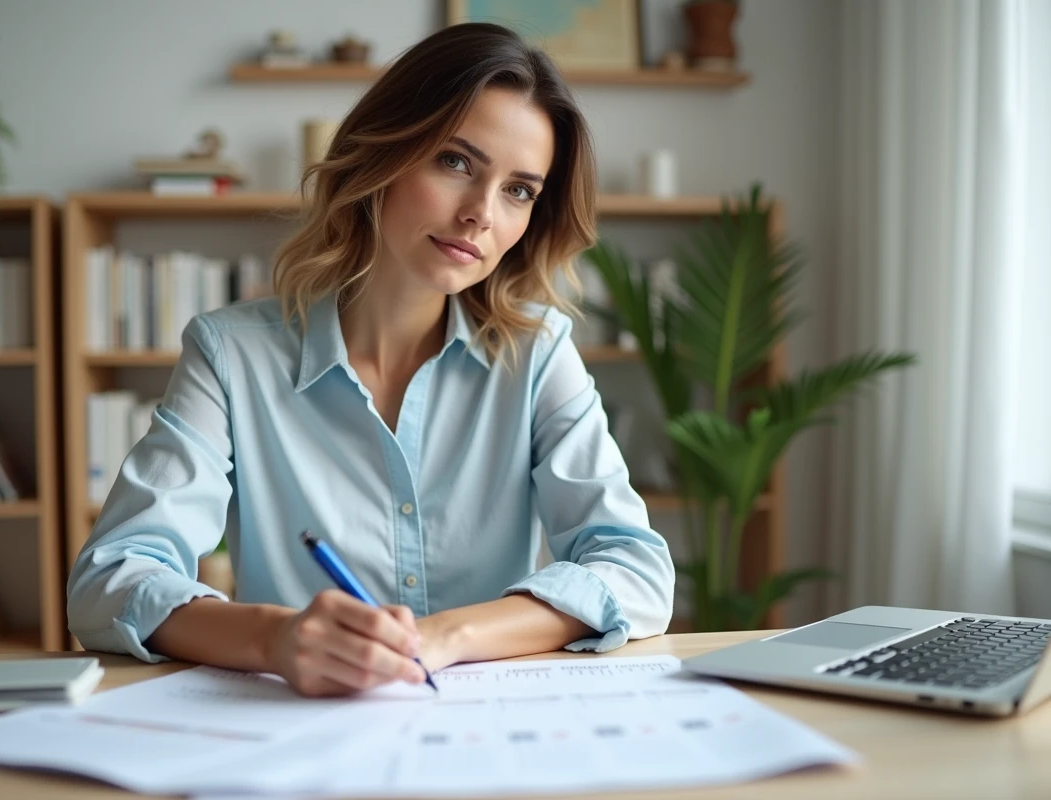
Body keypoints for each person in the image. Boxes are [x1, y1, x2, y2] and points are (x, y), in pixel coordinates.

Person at [66, 22, 674, 698]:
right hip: (296, 727)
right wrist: (276, 637)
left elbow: (636, 570)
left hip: (480, 732)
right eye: (456, 162)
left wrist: (447, 636)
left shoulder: (538, 354)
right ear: (380, 154)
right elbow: (109, 579)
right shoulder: (231, 354)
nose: (480, 214)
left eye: (519, 190)